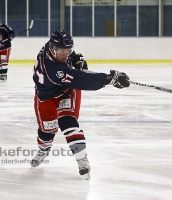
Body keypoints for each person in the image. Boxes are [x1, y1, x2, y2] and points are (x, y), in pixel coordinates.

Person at [31, 30, 130, 179]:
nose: (65, 54)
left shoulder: (54, 47)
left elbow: (73, 66)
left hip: (67, 90)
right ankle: (43, 150)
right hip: (46, 95)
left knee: (68, 122)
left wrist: (75, 59)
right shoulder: (53, 70)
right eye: (62, 52)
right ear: (52, 49)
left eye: (68, 51)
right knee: (47, 130)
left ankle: (81, 158)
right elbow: (79, 79)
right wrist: (108, 79)